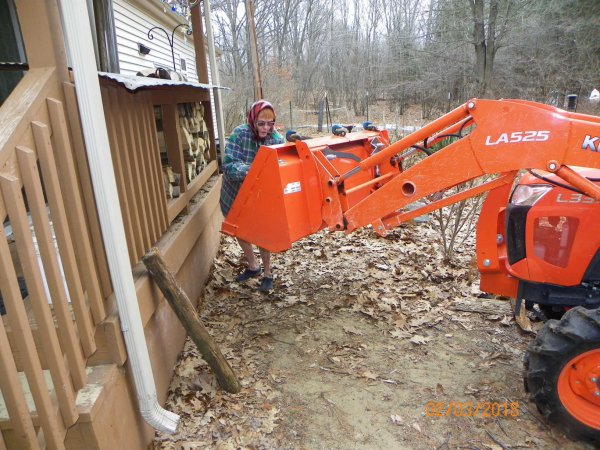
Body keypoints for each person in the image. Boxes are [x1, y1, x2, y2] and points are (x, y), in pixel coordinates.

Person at [220, 100, 285, 292]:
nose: (266, 128)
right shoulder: (239, 134)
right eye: (261, 123)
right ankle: (253, 266)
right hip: (235, 192)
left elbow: (281, 168)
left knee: (262, 232)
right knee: (239, 228)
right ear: (252, 120)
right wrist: (254, 171)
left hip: (261, 195)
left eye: (270, 123)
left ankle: (267, 273)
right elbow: (229, 165)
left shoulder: (277, 140)